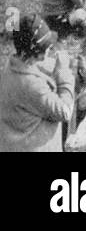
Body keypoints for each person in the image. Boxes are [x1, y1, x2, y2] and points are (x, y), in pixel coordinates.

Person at [0, 15, 75, 153]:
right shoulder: (32, 86)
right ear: (36, 52)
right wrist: (64, 73)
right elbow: (65, 111)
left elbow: (31, 68)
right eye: (46, 47)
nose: (49, 50)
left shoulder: (9, 66)